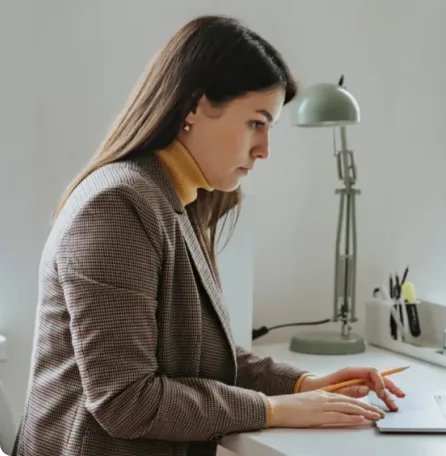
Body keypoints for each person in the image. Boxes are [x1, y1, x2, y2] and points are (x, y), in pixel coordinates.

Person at [13, 15, 404, 456]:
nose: (265, 149)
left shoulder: (179, 198)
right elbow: (125, 401)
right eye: (256, 122)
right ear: (195, 108)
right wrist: (274, 409)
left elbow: (200, 357)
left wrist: (301, 384)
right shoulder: (117, 206)